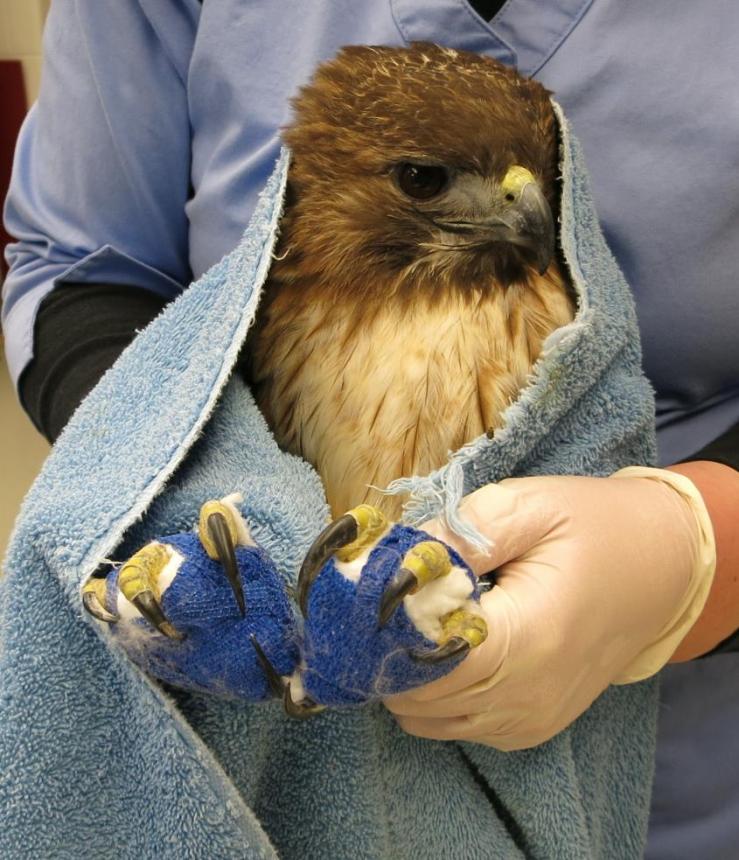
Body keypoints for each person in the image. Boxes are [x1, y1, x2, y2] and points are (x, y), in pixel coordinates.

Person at [3, 1, 738, 856]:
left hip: (682, 756)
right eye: (427, 182)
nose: (516, 209)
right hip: (268, 748)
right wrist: (169, 466)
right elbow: (85, 267)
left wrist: (697, 544)